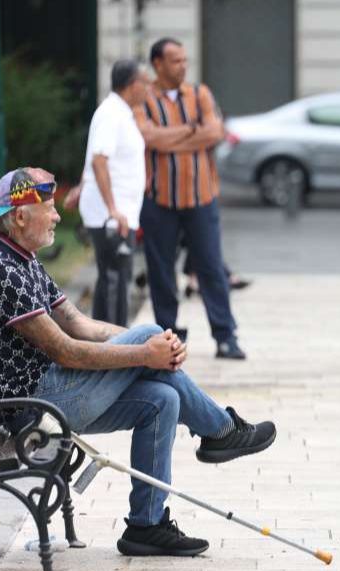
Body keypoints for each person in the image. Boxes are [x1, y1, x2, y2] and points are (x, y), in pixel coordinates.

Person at [0, 167, 278, 557]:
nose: (58, 216)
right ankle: (221, 430)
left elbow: (78, 323)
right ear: (21, 216)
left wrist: (156, 347)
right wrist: (144, 350)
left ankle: (146, 526)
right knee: (148, 336)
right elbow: (65, 350)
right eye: (50, 208)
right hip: (32, 410)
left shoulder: (20, 259)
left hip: (50, 395)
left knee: (163, 400)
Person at [135, 37, 246, 359]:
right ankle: (167, 338)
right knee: (161, 271)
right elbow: (148, 137)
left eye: (184, 60)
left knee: (211, 267)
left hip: (201, 198)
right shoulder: (145, 98)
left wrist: (170, 138)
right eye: (175, 61)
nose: (183, 66)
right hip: (160, 200)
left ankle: (226, 336)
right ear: (158, 64)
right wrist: (190, 132)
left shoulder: (200, 93)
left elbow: (215, 132)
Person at [78, 60, 151, 327]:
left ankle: (109, 343)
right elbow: (99, 160)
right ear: (133, 85)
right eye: (146, 82)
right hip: (112, 215)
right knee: (115, 277)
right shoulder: (111, 114)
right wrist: (111, 208)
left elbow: (97, 159)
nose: (149, 89)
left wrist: (81, 186)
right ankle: (114, 345)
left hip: (119, 211)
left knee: (115, 277)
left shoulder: (120, 113)